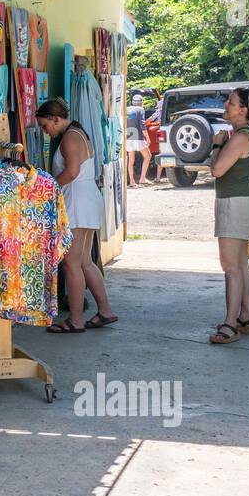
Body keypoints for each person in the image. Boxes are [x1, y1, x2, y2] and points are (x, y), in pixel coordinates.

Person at [37, 98, 116, 333]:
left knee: (71, 263)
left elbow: (71, 173)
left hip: (77, 202)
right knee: (84, 261)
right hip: (87, 200)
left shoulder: (70, 138)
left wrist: (46, 190)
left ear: (55, 119)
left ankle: (76, 319)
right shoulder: (78, 133)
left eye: (45, 126)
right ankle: (105, 311)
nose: (45, 131)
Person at [208, 87, 249, 345]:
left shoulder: (240, 137)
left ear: (243, 110)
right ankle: (246, 318)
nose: (226, 105)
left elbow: (217, 170)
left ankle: (230, 323)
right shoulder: (242, 134)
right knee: (241, 265)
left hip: (235, 203)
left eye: (231, 102)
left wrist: (217, 145)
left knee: (231, 268)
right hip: (241, 202)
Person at [125, 92, 150, 187]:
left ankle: (132, 181)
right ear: (141, 102)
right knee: (148, 156)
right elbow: (142, 125)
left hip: (128, 137)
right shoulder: (141, 109)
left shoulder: (127, 109)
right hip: (138, 137)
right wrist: (147, 138)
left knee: (131, 160)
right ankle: (142, 179)